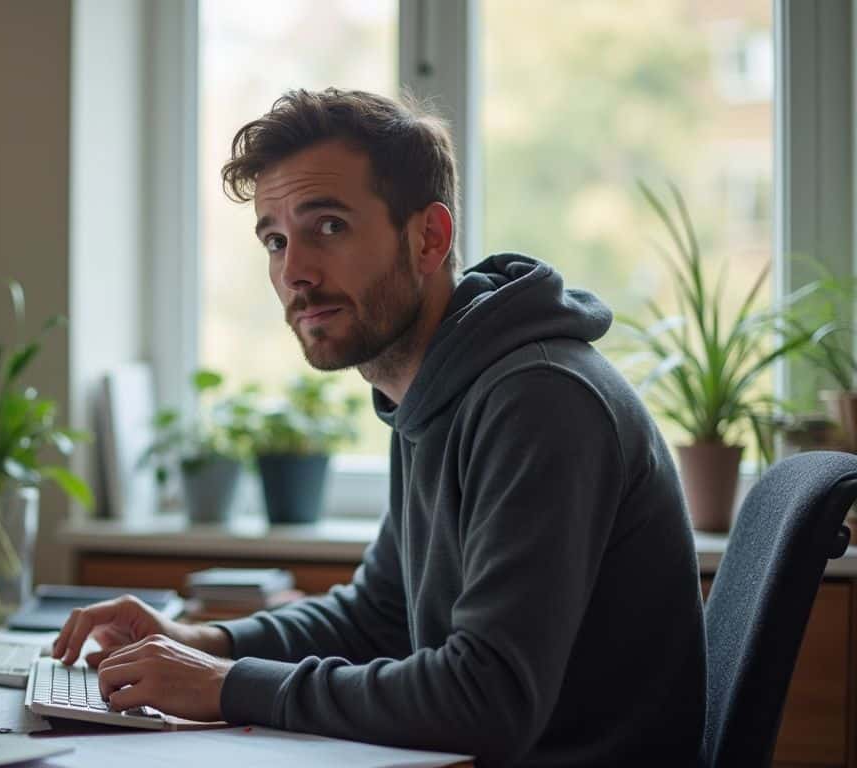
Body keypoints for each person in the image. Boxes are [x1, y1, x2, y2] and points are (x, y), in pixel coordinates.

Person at [53, 88, 705, 767]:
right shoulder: (434, 390)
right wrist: (203, 643)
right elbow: (376, 617)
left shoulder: (538, 401)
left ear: (429, 238)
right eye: (275, 240)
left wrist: (226, 686)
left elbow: (487, 701)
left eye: (327, 227)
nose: (294, 272)